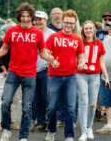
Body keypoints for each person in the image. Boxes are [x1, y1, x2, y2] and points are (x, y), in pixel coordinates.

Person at [0, 2, 53, 141]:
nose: (25, 19)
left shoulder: (37, 33)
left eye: (28, 16)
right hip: (13, 73)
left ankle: (23, 137)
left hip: (29, 74)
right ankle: (6, 129)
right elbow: (4, 48)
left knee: (27, 108)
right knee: (5, 103)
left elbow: (43, 52)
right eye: (23, 16)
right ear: (19, 17)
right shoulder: (12, 31)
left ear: (32, 17)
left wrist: (50, 59)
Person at [45, 9, 85, 141]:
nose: (69, 25)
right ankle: (51, 131)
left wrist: (81, 64)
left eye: (72, 23)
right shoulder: (53, 37)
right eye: (66, 22)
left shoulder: (77, 40)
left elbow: (81, 57)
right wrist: (51, 60)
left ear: (75, 24)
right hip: (54, 76)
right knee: (51, 107)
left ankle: (69, 135)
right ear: (62, 22)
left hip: (71, 77)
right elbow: (45, 53)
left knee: (71, 108)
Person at [76, 20, 109, 141]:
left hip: (95, 76)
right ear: (83, 31)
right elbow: (76, 59)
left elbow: (101, 62)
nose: (89, 31)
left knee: (92, 104)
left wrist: (106, 76)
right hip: (81, 75)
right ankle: (83, 131)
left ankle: (89, 127)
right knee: (83, 102)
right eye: (86, 29)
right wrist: (78, 65)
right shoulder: (79, 43)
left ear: (94, 29)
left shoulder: (99, 44)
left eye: (91, 28)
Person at [0, 19, 20, 131]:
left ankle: (12, 121)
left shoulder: (17, 43)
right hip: (1, 74)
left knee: (15, 99)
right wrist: (5, 70)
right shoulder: (2, 42)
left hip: (15, 73)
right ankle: (0, 122)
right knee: (2, 99)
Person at [30, 10, 55, 132]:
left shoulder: (52, 34)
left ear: (46, 20)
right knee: (35, 97)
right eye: (35, 19)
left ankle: (47, 122)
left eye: (40, 19)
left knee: (46, 97)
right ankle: (39, 121)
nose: (37, 21)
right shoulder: (31, 33)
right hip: (32, 69)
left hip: (46, 69)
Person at [97, 21, 111, 134]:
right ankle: (109, 124)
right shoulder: (105, 38)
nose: (110, 28)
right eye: (109, 27)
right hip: (106, 76)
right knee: (106, 102)